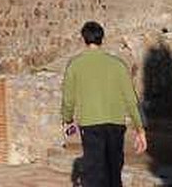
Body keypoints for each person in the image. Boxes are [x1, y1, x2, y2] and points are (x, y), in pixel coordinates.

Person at [61, 21, 147, 187]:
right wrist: (140, 129)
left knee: (94, 172)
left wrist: (67, 120)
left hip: (90, 124)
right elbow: (131, 99)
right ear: (102, 39)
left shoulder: (75, 65)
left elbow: (68, 99)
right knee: (114, 171)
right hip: (116, 125)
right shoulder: (118, 65)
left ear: (83, 39)